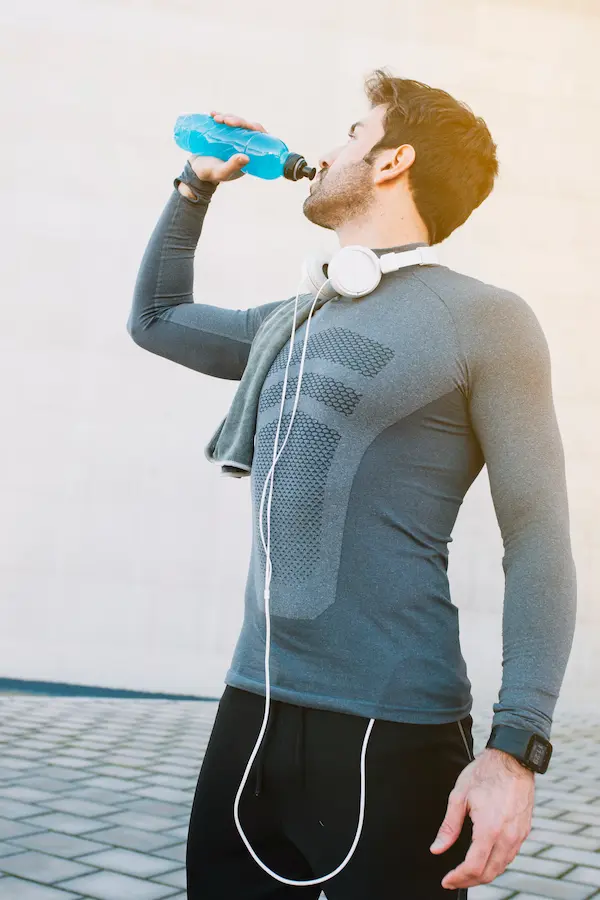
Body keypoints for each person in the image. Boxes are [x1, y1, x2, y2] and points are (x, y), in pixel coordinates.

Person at [127, 68, 577, 899]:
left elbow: (539, 537)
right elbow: (154, 317)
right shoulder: (295, 319)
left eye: (351, 135)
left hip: (391, 732)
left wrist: (517, 750)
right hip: (250, 711)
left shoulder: (485, 320)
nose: (328, 152)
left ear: (393, 160)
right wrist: (196, 184)